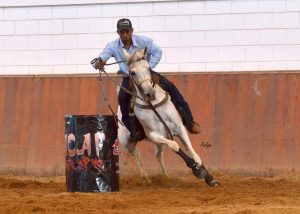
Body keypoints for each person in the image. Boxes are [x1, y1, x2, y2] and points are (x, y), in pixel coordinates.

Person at [93, 18, 201, 141]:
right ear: (118, 32)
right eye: (121, 32)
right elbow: (99, 59)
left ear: (131, 31)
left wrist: (149, 66)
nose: (124, 35)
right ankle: (134, 132)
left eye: (127, 31)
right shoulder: (112, 46)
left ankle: (189, 122)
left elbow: (157, 51)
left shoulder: (143, 41)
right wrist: (99, 63)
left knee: (171, 88)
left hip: (146, 74)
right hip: (129, 77)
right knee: (123, 100)